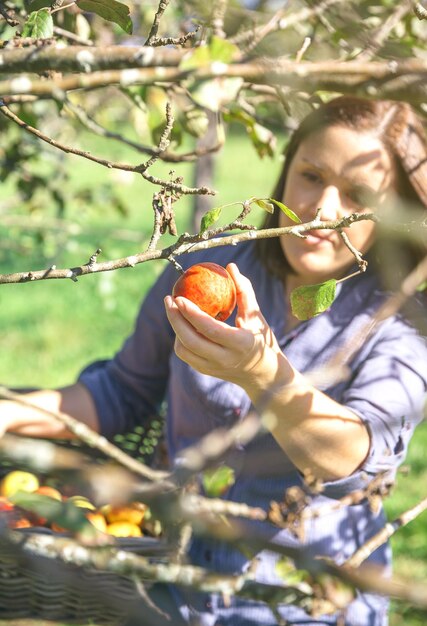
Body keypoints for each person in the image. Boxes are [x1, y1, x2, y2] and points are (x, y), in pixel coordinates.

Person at [1, 95, 427, 626]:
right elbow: (122, 391)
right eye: (311, 175)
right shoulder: (214, 262)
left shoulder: (400, 323)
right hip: (173, 583)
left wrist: (263, 375)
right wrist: (9, 414)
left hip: (300, 604)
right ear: (286, 170)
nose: (324, 208)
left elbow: (351, 457)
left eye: (359, 194)